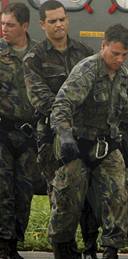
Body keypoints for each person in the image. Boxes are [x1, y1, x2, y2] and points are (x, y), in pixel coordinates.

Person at [49, 23, 128, 259]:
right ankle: (63, 247)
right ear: (103, 46)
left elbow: (124, 108)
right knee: (68, 200)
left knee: (118, 194)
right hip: (77, 144)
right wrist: (65, 136)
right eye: (115, 53)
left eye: (124, 55)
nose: (119, 59)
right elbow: (62, 104)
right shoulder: (86, 71)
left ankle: (111, 249)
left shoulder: (124, 75)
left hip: (106, 145)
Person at [23, 1, 99, 258]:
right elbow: (41, 100)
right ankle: (64, 250)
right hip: (54, 137)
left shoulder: (85, 53)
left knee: (89, 195)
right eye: (53, 21)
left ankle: (91, 246)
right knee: (63, 195)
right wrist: (67, 116)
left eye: (62, 19)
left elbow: (97, 91)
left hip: (86, 135)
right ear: (42, 24)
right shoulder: (34, 59)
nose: (59, 25)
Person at [0, 3, 37, 259]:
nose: (4, 29)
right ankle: (3, 245)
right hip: (2, 132)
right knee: (3, 193)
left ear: (24, 26)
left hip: (28, 136)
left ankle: (15, 244)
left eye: (9, 25)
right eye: (2, 24)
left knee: (24, 192)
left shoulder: (39, 56)